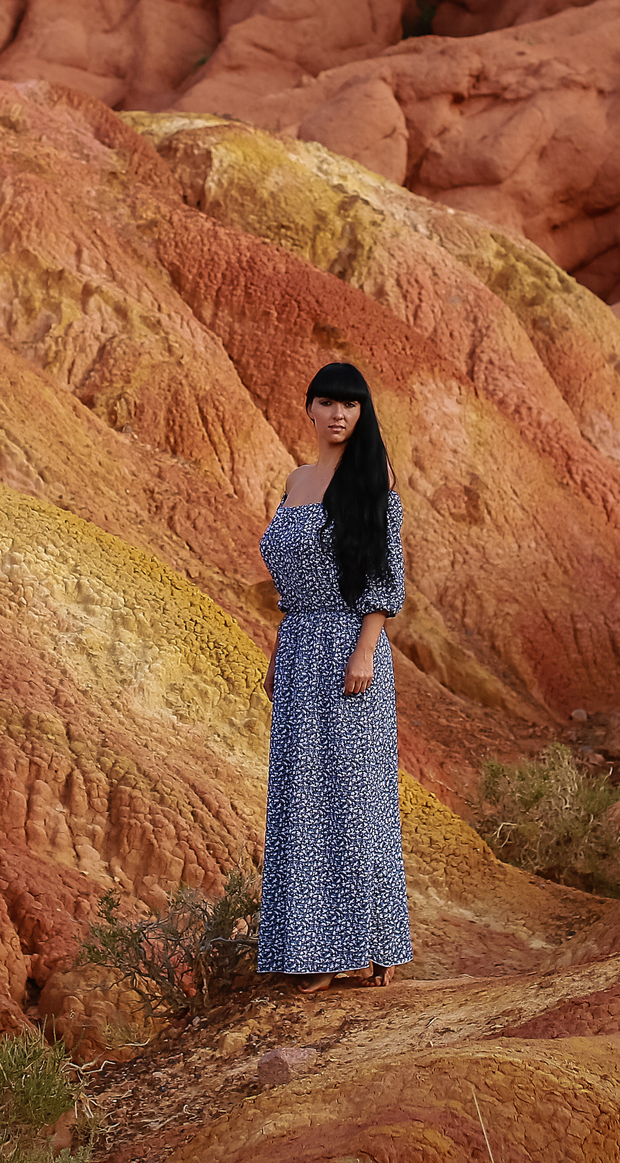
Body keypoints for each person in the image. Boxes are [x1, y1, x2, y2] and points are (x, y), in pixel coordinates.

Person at [256, 360, 414, 992]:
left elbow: (384, 572)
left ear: (361, 412)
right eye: (327, 402)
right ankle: (311, 950)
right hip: (299, 648)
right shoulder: (296, 480)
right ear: (310, 409)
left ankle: (368, 945)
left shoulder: (373, 476)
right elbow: (289, 582)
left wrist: (364, 651)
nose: (339, 414)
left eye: (350, 404)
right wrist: (279, 652)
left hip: (351, 646)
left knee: (356, 797)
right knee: (302, 799)